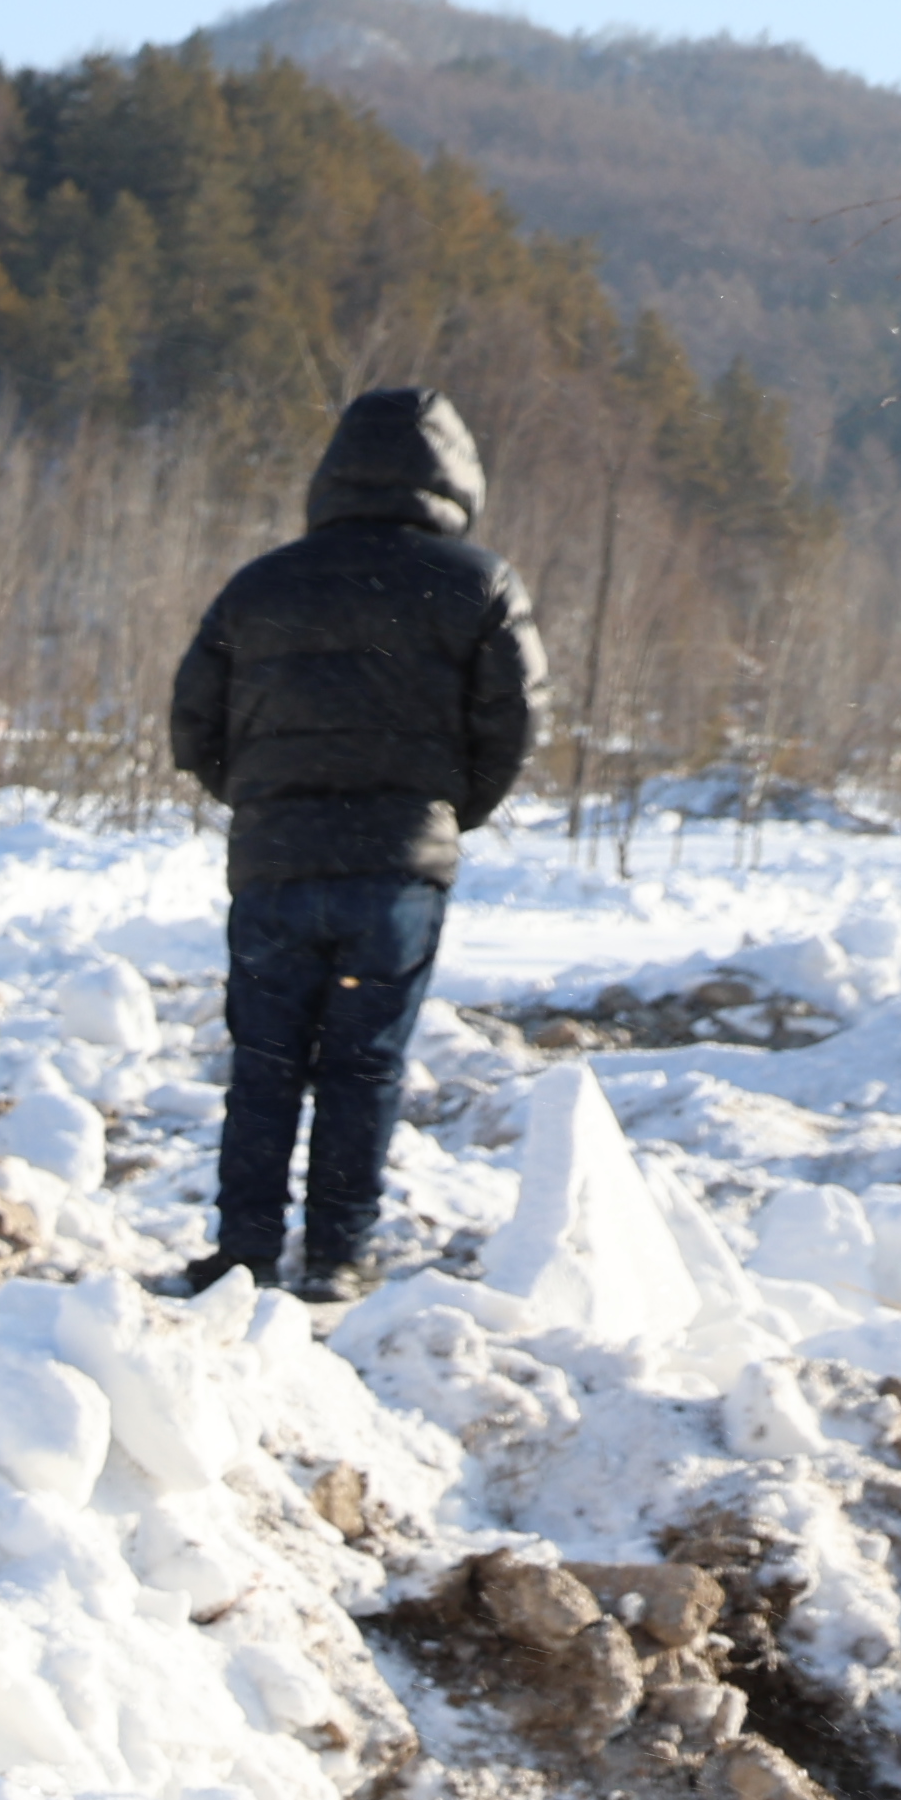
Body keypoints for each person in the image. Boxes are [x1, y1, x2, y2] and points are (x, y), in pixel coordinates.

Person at [169, 385, 546, 1298]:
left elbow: (193, 727)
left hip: (275, 863)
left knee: (263, 1066)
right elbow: (514, 726)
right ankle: (338, 1254)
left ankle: (245, 1252)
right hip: (396, 871)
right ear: (456, 476)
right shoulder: (479, 583)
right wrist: (442, 813)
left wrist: (265, 799)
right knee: (364, 1065)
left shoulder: (261, 584)